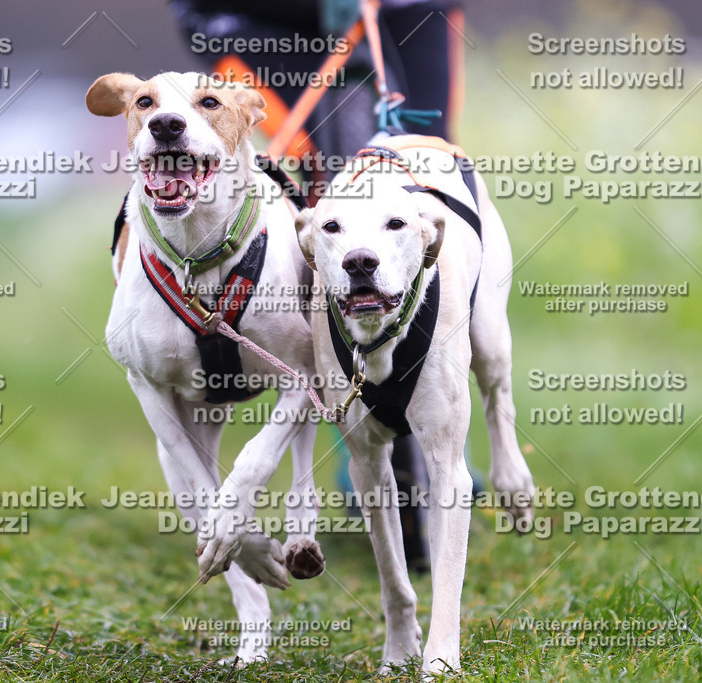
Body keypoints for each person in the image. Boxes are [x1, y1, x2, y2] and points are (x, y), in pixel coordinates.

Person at [169, 0, 481, 574]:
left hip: (409, 11)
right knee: (328, 192)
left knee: (426, 169)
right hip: (262, 19)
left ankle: (436, 419)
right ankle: (360, 425)